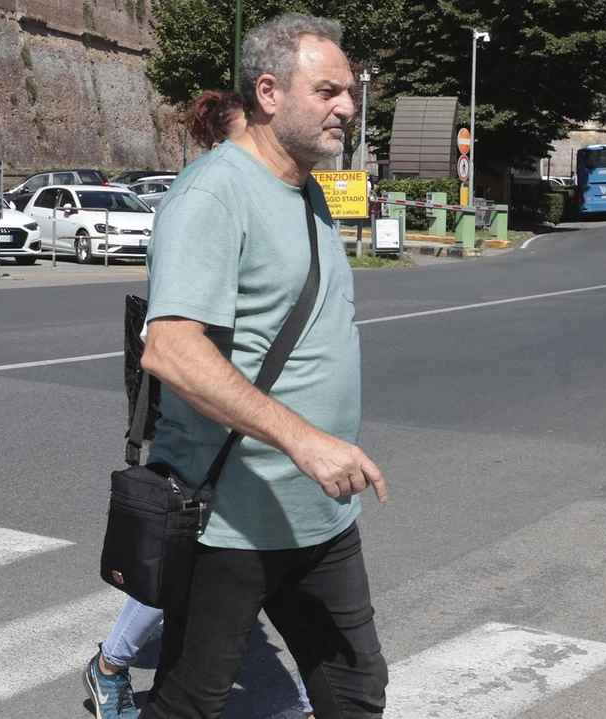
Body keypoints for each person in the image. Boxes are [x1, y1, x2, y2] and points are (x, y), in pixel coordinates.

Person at [136, 13, 389, 719]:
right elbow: (171, 347)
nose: (348, 106)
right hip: (231, 520)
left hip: (319, 514)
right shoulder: (215, 193)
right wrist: (305, 439)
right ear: (271, 93)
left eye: (349, 91)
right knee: (190, 703)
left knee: (354, 689)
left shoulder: (306, 190)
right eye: (330, 90)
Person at [83, 89, 316, 719]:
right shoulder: (203, 195)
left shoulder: (257, 194)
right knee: (179, 545)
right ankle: (110, 664)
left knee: (218, 554)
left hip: (246, 417)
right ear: (220, 141)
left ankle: (304, 696)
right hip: (202, 416)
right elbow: (173, 338)